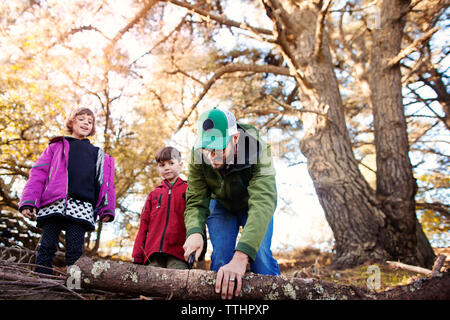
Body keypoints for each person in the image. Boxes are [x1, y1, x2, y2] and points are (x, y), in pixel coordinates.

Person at [183, 107, 280, 300]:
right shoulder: (197, 156)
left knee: (259, 256)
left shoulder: (259, 150)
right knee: (221, 258)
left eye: (217, 148)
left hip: (252, 206)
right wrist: (194, 231)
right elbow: (195, 198)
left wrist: (242, 256)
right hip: (219, 206)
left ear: (235, 138)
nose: (211, 156)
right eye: (206, 149)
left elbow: (263, 202)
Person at [19, 107, 116, 274]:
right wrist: (29, 201)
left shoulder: (98, 154)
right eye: (81, 119)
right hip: (54, 202)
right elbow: (38, 174)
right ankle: (40, 281)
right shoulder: (55, 147)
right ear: (72, 122)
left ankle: (73, 286)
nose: (86, 122)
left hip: (82, 206)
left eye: (90, 121)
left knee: (75, 252)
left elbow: (107, 184)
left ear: (92, 128)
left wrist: (106, 208)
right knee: (47, 245)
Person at [132, 146, 190, 269]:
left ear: (180, 165)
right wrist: (137, 255)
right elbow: (143, 225)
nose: (167, 167)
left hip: (179, 253)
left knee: (176, 284)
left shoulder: (188, 190)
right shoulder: (154, 194)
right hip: (152, 253)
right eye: (162, 165)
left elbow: (196, 219)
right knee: (152, 285)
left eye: (171, 163)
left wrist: (196, 251)